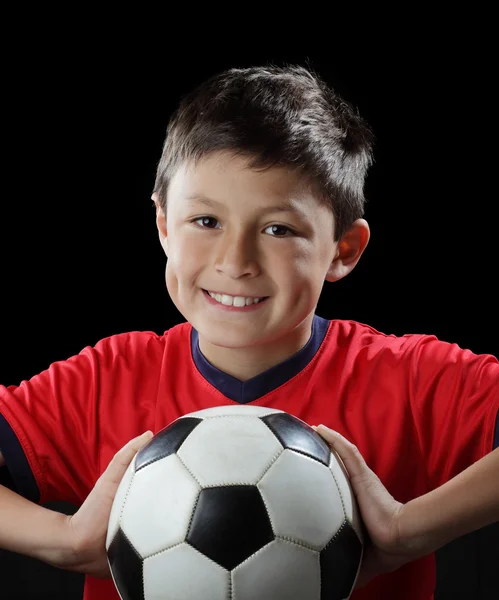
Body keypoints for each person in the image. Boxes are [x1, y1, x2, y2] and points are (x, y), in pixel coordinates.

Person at [0, 64, 497, 600]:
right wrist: (63, 539)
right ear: (164, 224)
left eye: (278, 229)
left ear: (343, 249)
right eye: (206, 221)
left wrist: (409, 531)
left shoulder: (408, 378)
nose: (236, 262)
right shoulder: (104, 381)